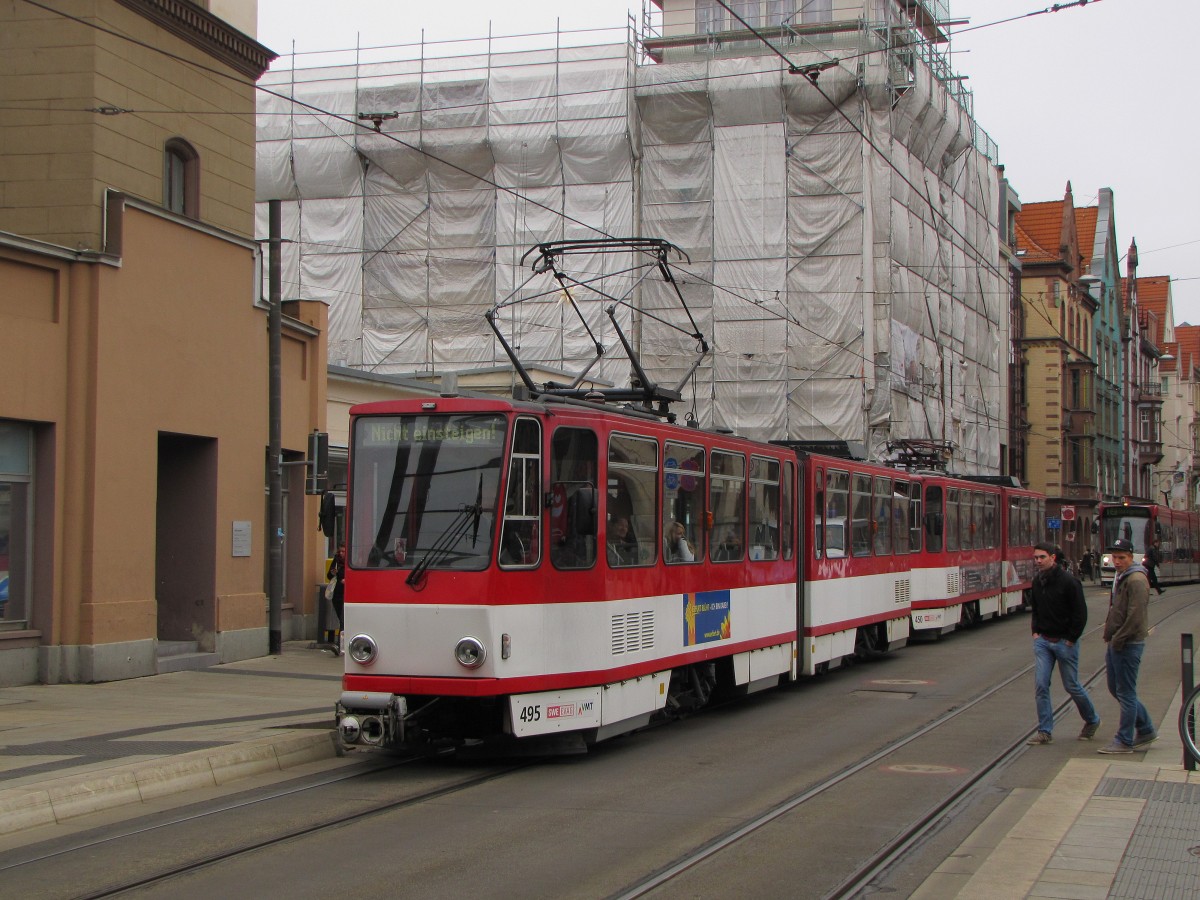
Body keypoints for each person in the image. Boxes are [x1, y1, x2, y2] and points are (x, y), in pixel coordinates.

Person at [1026, 542, 1101, 745]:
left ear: (1053, 558)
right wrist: (1035, 632)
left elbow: (1080, 613)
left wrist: (1071, 638)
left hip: (1064, 642)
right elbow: (1036, 609)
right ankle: (1045, 731)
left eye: (1042, 557)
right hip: (1043, 641)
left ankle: (1092, 720)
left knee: (1071, 686)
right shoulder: (1037, 581)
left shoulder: (1069, 582)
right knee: (1041, 685)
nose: (1038, 561)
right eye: (1036, 558)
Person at [1098, 537, 1157, 754]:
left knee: (1126, 692)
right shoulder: (1122, 576)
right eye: (1114, 557)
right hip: (1118, 642)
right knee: (1117, 689)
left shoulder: (1136, 580)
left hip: (1127, 643)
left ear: (1131, 557)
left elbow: (1136, 617)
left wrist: (1118, 639)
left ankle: (1124, 740)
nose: (1116, 561)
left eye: (1121, 557)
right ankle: (1146, 729)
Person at [326, 543, 346, 654]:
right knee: (341, 619)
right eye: (340, 551)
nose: (341, 553)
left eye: (343, 551)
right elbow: (329, 575)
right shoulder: (336, 561)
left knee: (343, 620)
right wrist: (333, 573)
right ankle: (343, 644)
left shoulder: (350, 563)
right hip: (337, 593)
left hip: (346, 594)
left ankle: (340, 646)